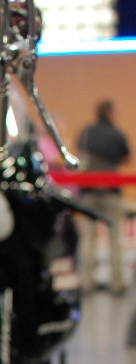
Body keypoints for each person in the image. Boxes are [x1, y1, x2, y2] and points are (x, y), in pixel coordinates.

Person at [76, 99, 130, 295]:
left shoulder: (87, 132)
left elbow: (79, 151)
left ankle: (86, 282)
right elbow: (125, 156)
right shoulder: (117, 134)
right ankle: (117, 282)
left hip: (89, 192)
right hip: (111, 191)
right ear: (109, 113)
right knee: (115, 239)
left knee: (88, 238)